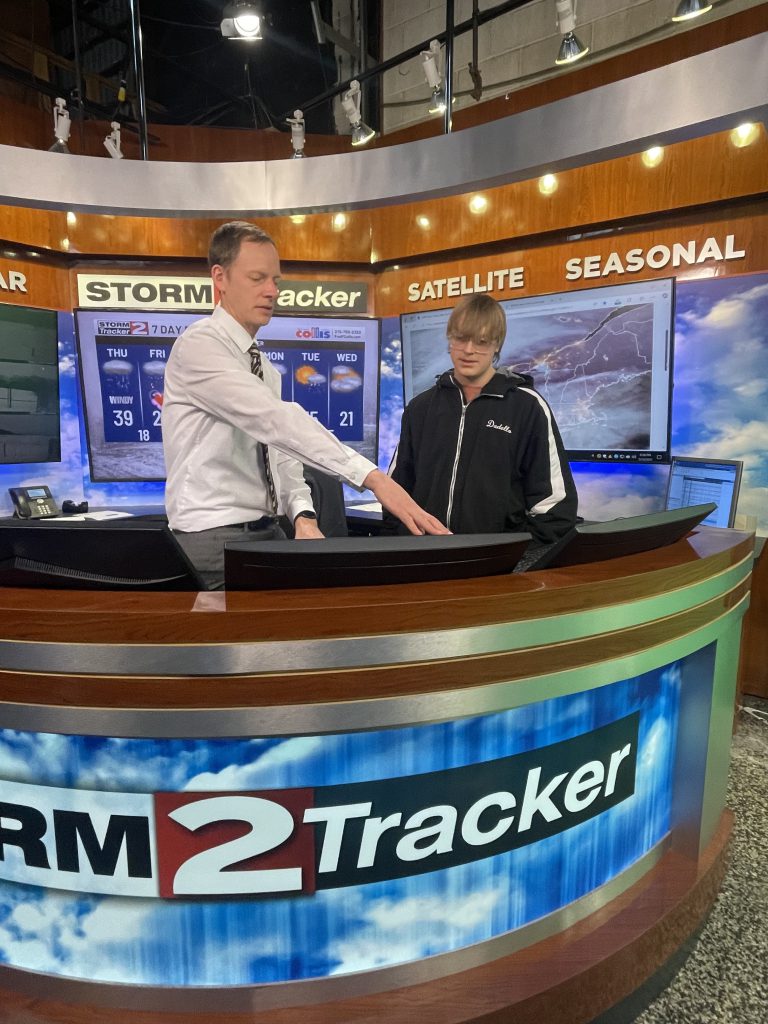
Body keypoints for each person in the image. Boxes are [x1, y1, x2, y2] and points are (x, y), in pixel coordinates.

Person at [163, 221, 448, 588]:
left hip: (267, 533)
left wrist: (303, 515)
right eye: (257, 278)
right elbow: (274, 420)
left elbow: (280, 453)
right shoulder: (199, 346)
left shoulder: (264, 368)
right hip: (214, 540)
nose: (271, 291)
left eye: (275, 280)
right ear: (220, 277)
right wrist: (372, 478)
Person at [387, 293, 578, 542]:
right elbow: (397, 490)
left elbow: (554, 505)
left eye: (482, 341)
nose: (469, 350)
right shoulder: (420, 408)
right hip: (424, 559)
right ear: (449, 339)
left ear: (497, 344)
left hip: (495, 563)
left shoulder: (527, 407)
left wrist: (518, 561)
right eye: (461, 339)